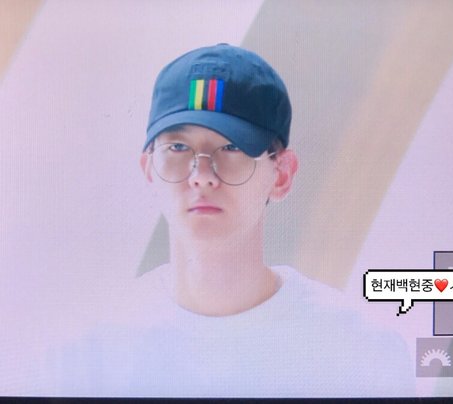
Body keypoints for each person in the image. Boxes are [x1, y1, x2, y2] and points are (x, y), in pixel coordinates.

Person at [47, 44, 414, 397]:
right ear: (149, 169)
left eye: (232, 147)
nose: (202, 175)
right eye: (178, 147)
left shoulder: (361, 353)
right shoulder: (88, 354)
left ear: (282, 174)